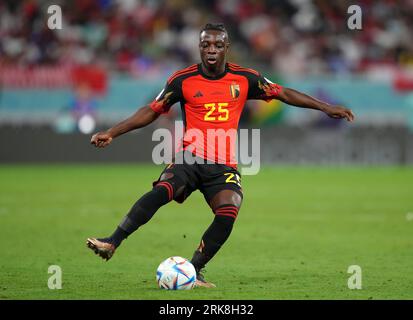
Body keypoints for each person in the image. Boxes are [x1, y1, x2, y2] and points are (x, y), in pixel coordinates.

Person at [86, 23, 355, 288]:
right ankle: (113, 241)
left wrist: (325, 107)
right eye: (205, 45)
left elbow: (282, 92)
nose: (211, 49)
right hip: (190, 156)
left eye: (217, 44)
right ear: (199, 48)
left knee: (229, 209)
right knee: (164, 189)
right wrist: (113, 132)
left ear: (227, 47)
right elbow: (152, 110)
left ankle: (195, 269)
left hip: (223, 163)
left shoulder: (245, 78)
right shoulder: (182, 80)